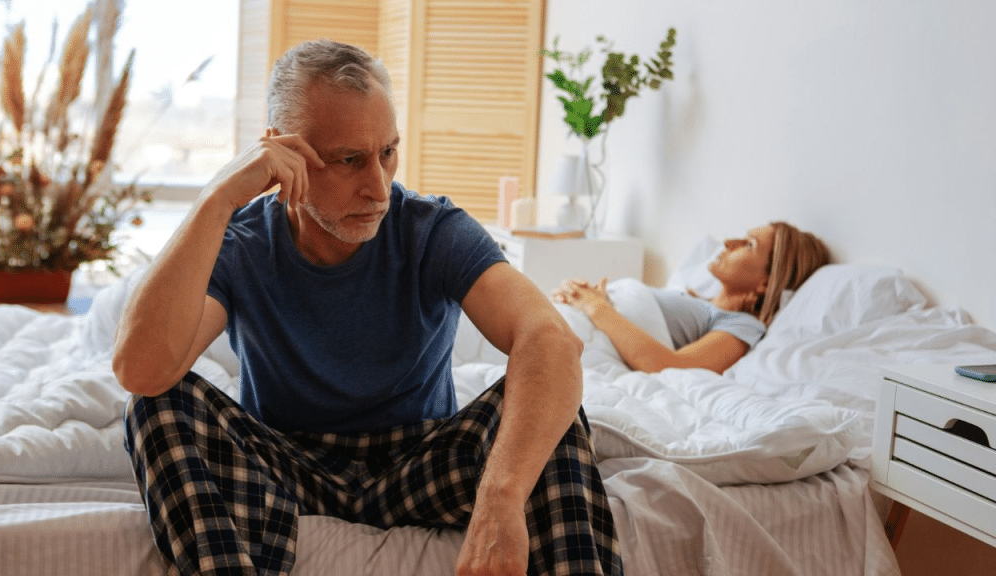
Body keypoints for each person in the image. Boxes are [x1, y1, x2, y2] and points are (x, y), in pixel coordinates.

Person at [113, 39, 621, 576]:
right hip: (286, 464)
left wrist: (501, 497)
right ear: (280, 152)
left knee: (551, 406)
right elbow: (141, 370)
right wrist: (216, 198)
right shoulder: (241, 242)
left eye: (387, 153)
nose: (377, 187)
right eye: (348, 160)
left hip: (420, 462)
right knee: (154, 406)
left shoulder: (433, 229)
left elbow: (551, 340)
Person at [551, 222, 829, 374]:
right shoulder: (692, 297)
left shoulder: (742, 325)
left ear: (766, 284)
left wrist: (595, 306)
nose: (729, 243)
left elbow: (672, 368)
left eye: (749, 245)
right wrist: (577, 296)